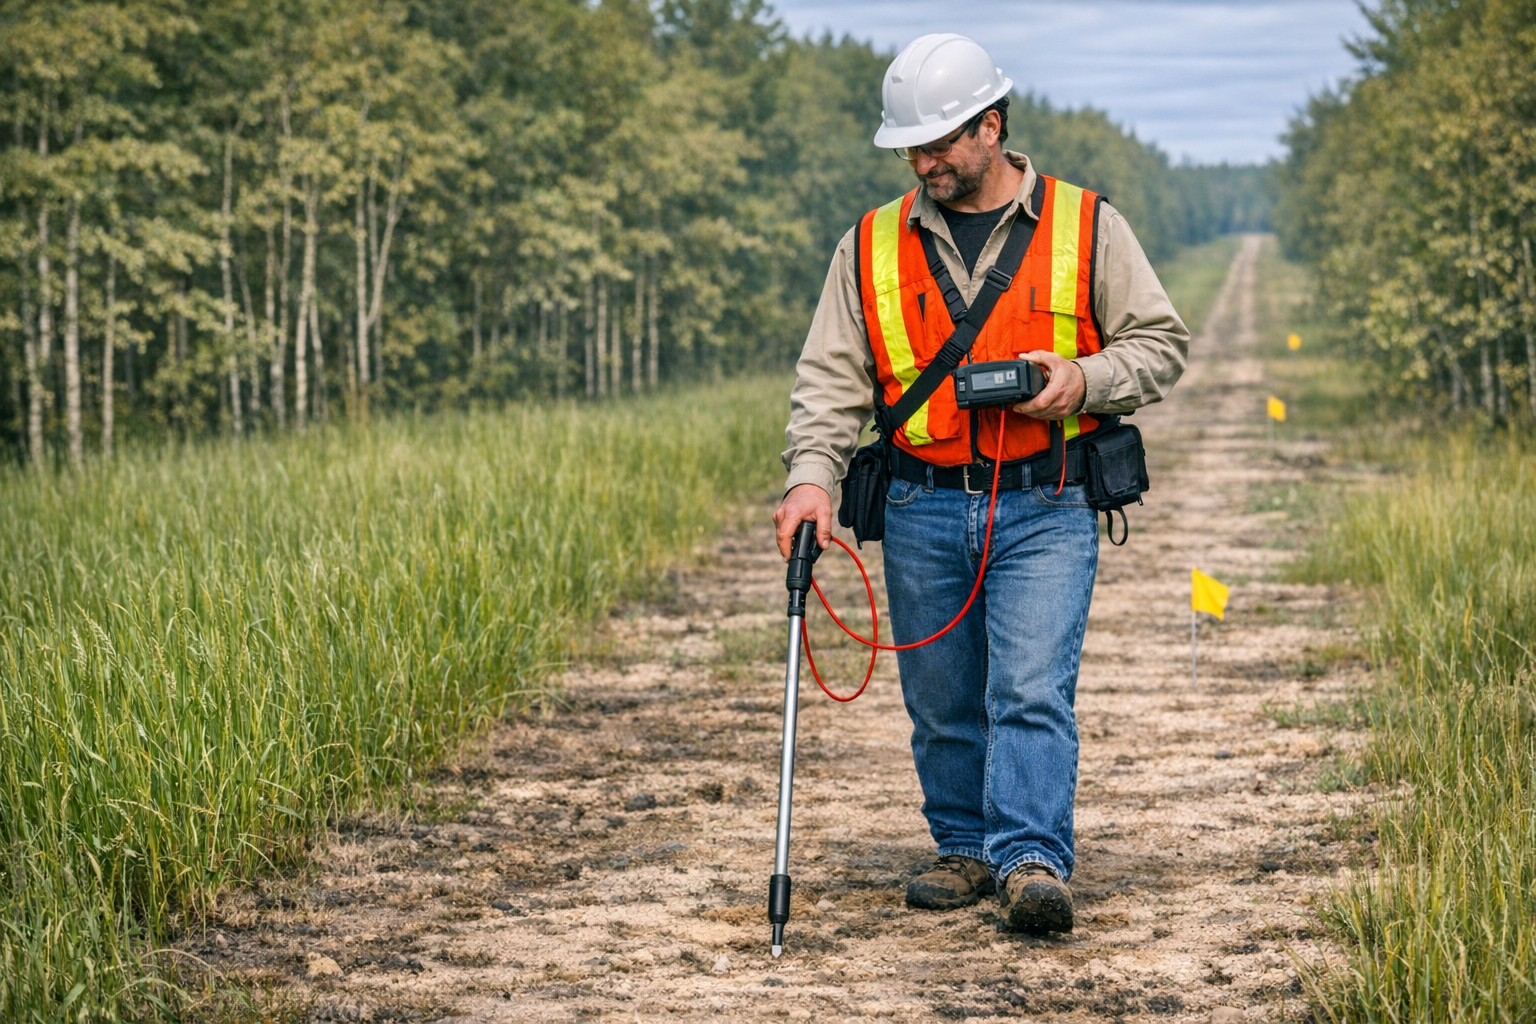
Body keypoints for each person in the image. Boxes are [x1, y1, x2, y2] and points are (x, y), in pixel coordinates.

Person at [773, 33, 1189, 934]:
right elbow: (831, 381)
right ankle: (963, 846)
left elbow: (1160, 346)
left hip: (1047, 502)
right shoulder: (871, 245)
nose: (921, 164)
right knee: (941, 699)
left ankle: (1030, 858)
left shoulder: (1088, 225)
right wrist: (811, 480)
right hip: (921, 502)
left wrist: (1082, 382)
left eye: (938, 145)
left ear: (991, 127)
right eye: (909, 150)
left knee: (1030, 689)